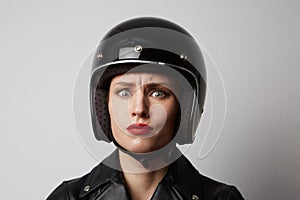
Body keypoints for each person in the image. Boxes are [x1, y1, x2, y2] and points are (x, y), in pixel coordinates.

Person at [47, 17, 244, 200]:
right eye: (124, 92)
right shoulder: (68, 197)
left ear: (185, 109)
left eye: (158, 93)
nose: (139, 109)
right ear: (103, 106)